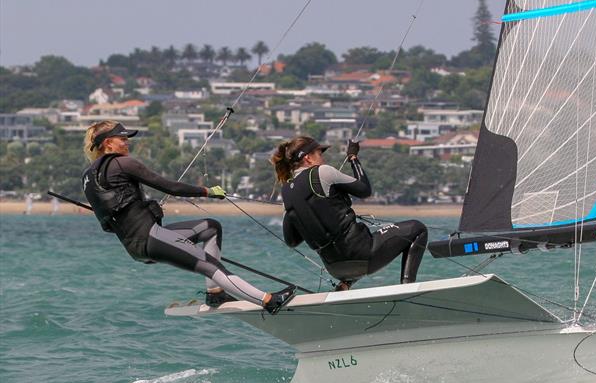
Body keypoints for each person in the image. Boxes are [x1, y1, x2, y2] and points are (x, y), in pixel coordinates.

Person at [82, 120, 295, 312]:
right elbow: (171, 187)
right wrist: (207, 192)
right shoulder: (122, 163)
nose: (127, 142)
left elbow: (111, 221)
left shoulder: (89, 177)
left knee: (211, 227)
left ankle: (215, 294)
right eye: (122, 139)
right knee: (212, 266)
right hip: (150, 238)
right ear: (108, 143)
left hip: (136, 246)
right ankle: (268, 301)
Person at [272, 135, 428, 290]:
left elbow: (291, 241)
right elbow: (364, 190)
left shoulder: (286, 192)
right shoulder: (322, 172)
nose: (323, 159)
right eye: (319, 154)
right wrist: (353, 157)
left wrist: (313, 218)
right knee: (418, 229)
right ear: (308, 158)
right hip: (363, 255)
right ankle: (408, 290)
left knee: (348, 249)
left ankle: (346, 284)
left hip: (335, 268)